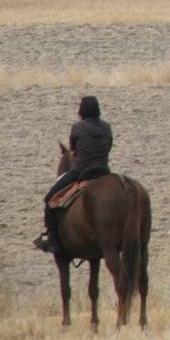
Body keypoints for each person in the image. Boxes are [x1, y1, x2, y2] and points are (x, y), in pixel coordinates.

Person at [34, 96, 112, 254]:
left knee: (49, 200)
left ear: (82, 110)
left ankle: (53, 241)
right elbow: (108, 147)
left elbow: (73, 151)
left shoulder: (77, 127)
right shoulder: (107, 127)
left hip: (80, 172)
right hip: (104, 171)